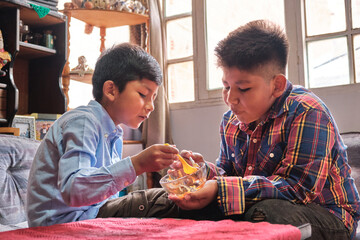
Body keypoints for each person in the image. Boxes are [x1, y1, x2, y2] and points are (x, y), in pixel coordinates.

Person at [106, 20, 360, 240]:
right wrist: (202, 172)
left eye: (244, 88)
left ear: (277, 85)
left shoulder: (307, 111)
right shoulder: (231, 120)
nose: (231, 99)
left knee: (264, 215)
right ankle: (97, 211)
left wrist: (220, 189)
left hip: (327, 216)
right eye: (226, 86)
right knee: (168, 201)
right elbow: (230, 173)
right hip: (257, 203)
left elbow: (298, 189)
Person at [26, 43, 179, 227]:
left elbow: (104, 194)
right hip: (62, 222)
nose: (151, 106)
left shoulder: (113, 132)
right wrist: (137, 164)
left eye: (153, 98)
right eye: (142, 94)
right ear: (111, 90)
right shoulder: (83, 122)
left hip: (90, 213)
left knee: (177, 194)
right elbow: (74, 189)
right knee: (162, 200)